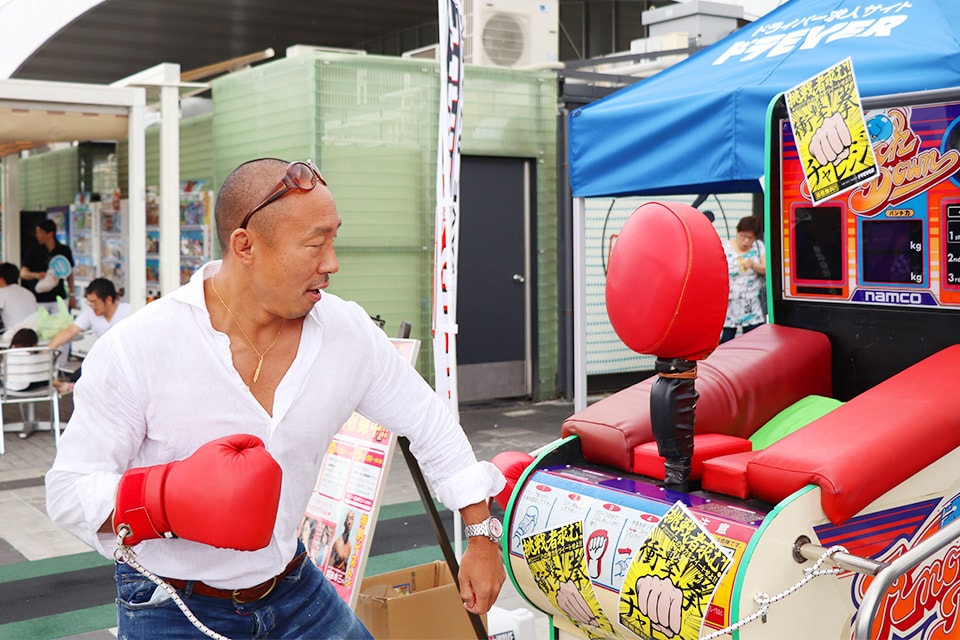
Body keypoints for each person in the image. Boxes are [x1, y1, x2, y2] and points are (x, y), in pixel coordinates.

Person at [45, 157, 506, 639]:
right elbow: (68, 491)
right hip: (170, 602)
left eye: (334, 239)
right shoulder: (138, 347)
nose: (332, 263)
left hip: (293, 587)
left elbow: (429, 422)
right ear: (245, 245)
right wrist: (163, 501)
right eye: (315, 244)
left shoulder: (348, 333)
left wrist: (480, 535)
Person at [720, 216, 766, 344]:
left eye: (750, 238)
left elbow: (766, 269)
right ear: (737, 232)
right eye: (743, 236)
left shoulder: (758, 247)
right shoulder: (725, 248)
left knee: (753, 341)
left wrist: (754, 265)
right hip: (730, 303)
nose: (745, 241)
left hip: (752, 305)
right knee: (726, 340)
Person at [20, 219, 75, 312]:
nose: (37, 236)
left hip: (59, 298)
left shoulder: (64, 250)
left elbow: (69, 273)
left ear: (50, 233)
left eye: (40, 233)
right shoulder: (33, 251)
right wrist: (36, 275)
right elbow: (23, 273)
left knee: (60, 325)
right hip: (38, 299)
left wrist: (72, 295)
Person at [0, 262, 39, 331]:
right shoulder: (28, 293)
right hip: (35, 334)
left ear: (1, 280)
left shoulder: (2, 292)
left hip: (15, 337)